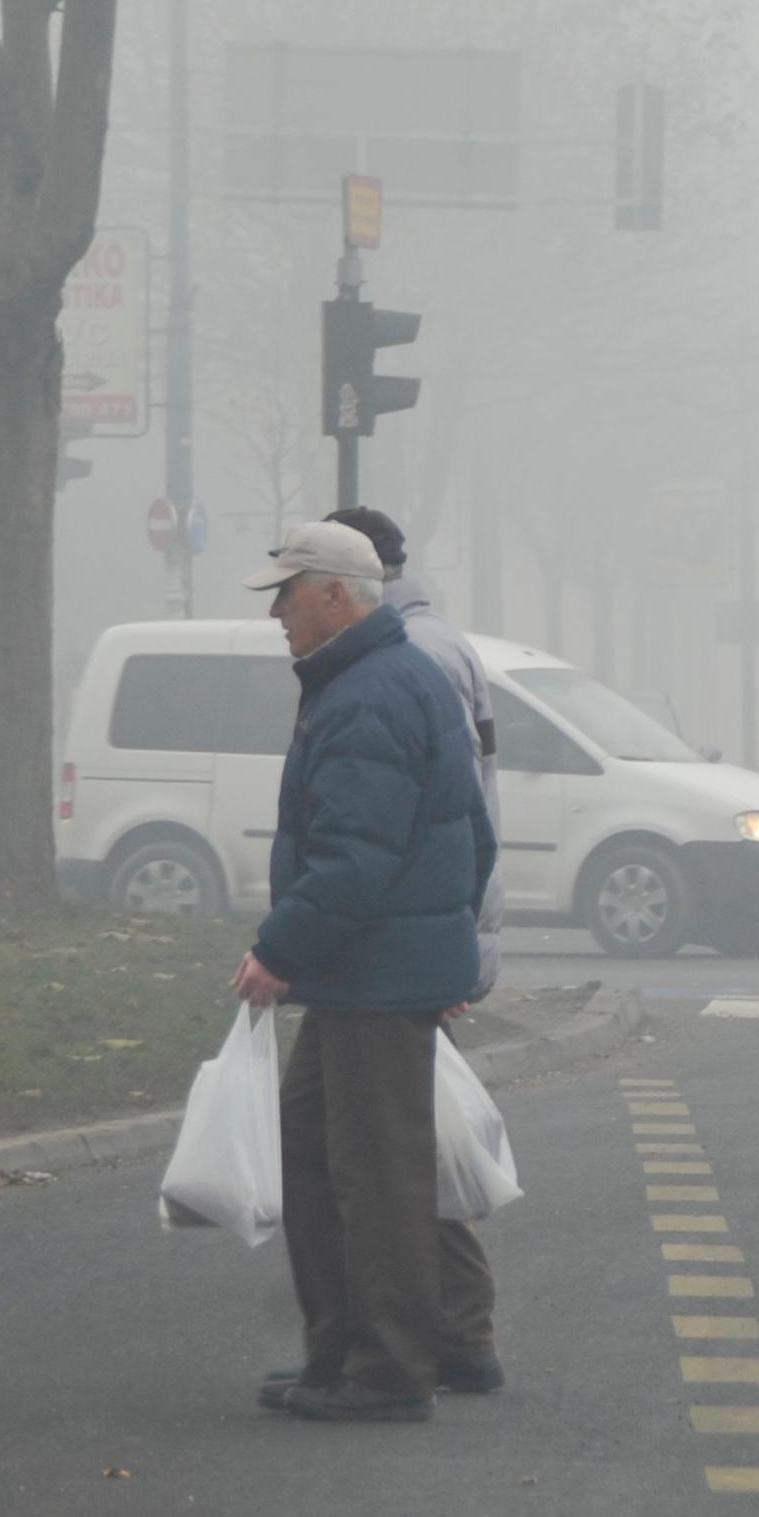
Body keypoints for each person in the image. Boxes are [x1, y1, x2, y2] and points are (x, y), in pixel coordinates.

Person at [232, 522, 494, 1424]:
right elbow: (472, 832)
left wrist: (279, 951)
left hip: (369, 972)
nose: (276, 612)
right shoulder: (382, 680)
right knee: (312, 1148)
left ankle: (388, 1371)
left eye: (288, 592)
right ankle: (342, 1351)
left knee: (376, 1178)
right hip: (371, 970)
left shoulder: (365, 696)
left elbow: (353, 857)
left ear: (338, 595)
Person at [320, 505, 505, 1398]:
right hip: (430, 936)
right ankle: (453, 1334)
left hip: (408, 947)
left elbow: (414, 827)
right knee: (409, 1140)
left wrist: (453, 941)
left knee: (401, 1150)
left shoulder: (408, 661)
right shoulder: (438, 646)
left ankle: (452, 1334)